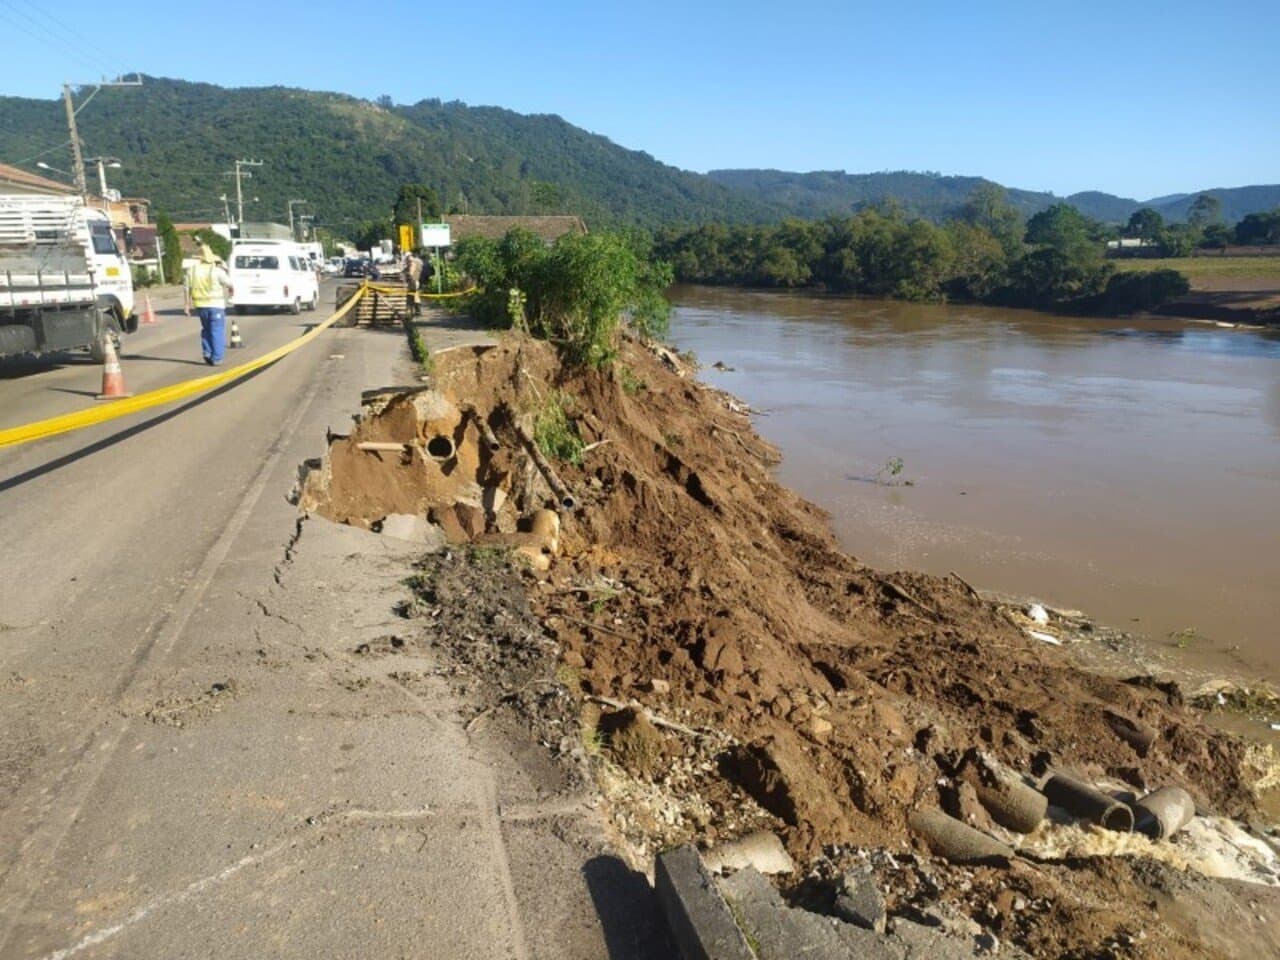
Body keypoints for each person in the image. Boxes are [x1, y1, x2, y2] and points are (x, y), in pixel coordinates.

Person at [184, 243, 233, 366]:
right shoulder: (216, 271)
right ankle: (217, 358)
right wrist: (225, 270)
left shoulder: (192, 271)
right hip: (216, 305)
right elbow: (229, 283)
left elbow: (186, 288)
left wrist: (187, 305)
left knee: (206, 330)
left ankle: (207, 352)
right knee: (217, 331)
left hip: (200, 306)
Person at [403, 250, 423, 317]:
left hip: (413, 282)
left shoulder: (413, 263)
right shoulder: (419, 261)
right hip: (417, 280)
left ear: (409, 257)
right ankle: (417, 311)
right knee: (416, 295)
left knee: (411, 296)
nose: (406, 260)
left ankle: (413, 311)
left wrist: (406, 273)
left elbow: (411, 273)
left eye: (406, 258)